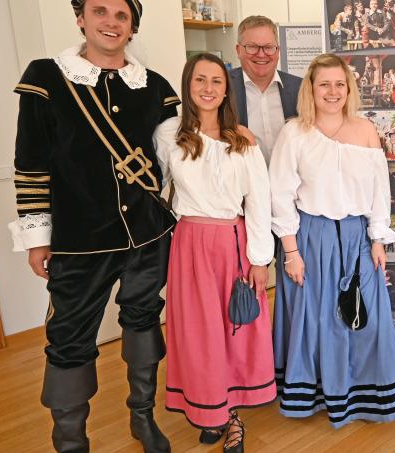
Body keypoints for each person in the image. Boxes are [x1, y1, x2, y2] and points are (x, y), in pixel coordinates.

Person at [8, 1, 178, 451]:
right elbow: (30, 165)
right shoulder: (46, 78)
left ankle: (142, 418)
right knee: (68, 339)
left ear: (132, 27)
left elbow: (173, 158)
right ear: (81, 18)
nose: (110, 22)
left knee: (143, 321)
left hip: (147, 235)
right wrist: (36, 238)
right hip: (78, 241)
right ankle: (71, 442)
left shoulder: (154, 86)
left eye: (121, 15)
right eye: (99, 11)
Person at [269, 53, 395, 428]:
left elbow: (380, 188)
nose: (332, 92)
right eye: (324, 84)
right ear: (310, 89)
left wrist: (378, 238)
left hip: (357, 237)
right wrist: (291, 251)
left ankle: (362, 395)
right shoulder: (294, 132)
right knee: (315, 317)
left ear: (349, 89)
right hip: (311, 237)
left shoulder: (365, 129)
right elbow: (280, 194)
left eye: (339, 84)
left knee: (362, 316)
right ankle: (317, 395)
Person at [154, 53, 275, 453]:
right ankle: (209, 408)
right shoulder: (170, 134)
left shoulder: (243, 140)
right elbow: (157, 191)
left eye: (217, 82)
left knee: (233, 331)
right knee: (199, 334)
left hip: (233, 244)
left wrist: (260, 259)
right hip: (189, 245)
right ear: (188, 86)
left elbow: (259, 200)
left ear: (227, 89)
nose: (208, 88)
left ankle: (232, 415)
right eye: (200, 80)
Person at [229, 16, 302, 165]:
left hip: (290, 184)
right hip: (242, 185)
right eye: (252, 46)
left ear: (278, 51)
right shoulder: (222, 87)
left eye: (268, 47)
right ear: (238, 50)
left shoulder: (299, 87)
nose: (261, 54)